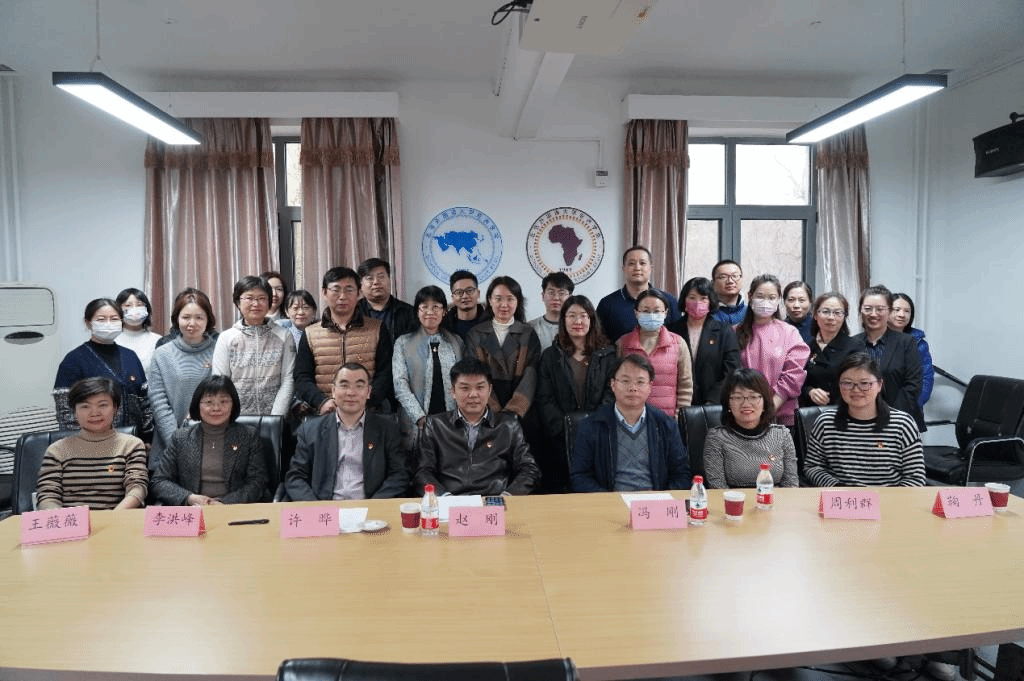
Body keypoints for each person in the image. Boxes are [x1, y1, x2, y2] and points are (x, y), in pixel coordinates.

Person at [415, 358, 540, 496]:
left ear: (489, 390)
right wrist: (444, 497)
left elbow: (529, 469)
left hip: (494, 500)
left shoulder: (508, 426)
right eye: (465, 388)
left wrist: (507, 496)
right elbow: (423, 472)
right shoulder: (435, 425)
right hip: (450, 501)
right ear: (453, 392)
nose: (473, 395)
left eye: (480, 387)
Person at [285, 363, 408, 500]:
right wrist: (317, 508)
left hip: (370, 507)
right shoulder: (310, 430)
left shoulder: (387, 429)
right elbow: (295, 477)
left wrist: (374, 506)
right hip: (326, 507)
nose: (351, 393)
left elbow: (399, 474)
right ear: (333, 391)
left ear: (368, 392)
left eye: (359, 386)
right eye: (344, 385)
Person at [570, 354, 690, 492]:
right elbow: (580, 476)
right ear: (613, 384)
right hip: (610, 501)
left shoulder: (666, 425)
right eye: (625, 381)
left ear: (650, 386)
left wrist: (660, 499)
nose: (633, 388)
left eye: (640, 382)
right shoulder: (591, 426)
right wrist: (608, 500)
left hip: (654, 502)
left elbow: (681, 475)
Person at [804, 352, 925, 487]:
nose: (856, 390)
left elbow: (915, 477)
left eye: (864, 383)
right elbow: (813, 466)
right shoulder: (825, 422)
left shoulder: (903, 424)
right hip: (843, 497)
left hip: (889, 498)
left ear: (879, 385)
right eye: (847, 383)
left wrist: (887, 497)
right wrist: (839, 488)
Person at [535, 295, 616, 492]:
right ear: (563, 320)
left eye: (583, 315)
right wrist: (566, 429)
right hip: (558, 441)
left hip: (598, 437)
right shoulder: (550, 356)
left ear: (592, 320)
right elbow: (545, 399)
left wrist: (593, 427)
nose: (577, 321)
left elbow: (611, 394)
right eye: (571, 316)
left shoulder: (608, 355)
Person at [151, 376, 269, 505]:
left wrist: (224, 502)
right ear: (197, 404)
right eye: (208, 402)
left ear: (233, 404)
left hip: (234, 508)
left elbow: (258, 481)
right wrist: (189, 498)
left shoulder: (248, 436)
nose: (216, 408)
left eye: (223, 401)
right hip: (193, 509)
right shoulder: (181, 438)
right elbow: (159, 481)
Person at [36, 377, 148, 510]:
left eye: (103, 405)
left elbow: (137, 488)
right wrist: (65, 520)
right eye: (85, 406)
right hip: (70, 521)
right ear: (74, 411)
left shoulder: (131, 445)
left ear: (115, 408)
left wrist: (113, 517)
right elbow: (47, 496)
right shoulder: (57, 450)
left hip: (116, 518)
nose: (95, 413)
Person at [294, 266, 393, 414]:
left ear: (359, 293)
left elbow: (386, 374)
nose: (342, 296)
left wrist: (365, 401)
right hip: (325, 413)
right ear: (324, 292)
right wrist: (321, 402)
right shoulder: (310, 333)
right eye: (336, 290)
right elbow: (302, 377)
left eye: (349, 290)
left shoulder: (377, 329)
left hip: (368, 412)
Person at [53, 298, 152, 437]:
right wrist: (81, 443)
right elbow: (65, 411)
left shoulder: (130, 356)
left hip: (132, 440)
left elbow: (145, 402)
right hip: (91, 442)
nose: (108, 323)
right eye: (101, 319)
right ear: (88, 323)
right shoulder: (74, 360)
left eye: (114, 319)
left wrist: (147, 436)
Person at [148, 288, 217, 459]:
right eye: (186, 317)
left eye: (199, 317)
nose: (192, 323)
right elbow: (158, 402)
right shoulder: (162, 354)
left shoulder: (219, 350)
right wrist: (177, 444)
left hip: (213, 441)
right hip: (170, 446)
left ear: (208, 320)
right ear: (176, 319)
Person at [212, 276, 295, 416]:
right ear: (238, 302)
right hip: (236, 418)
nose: (255, 304)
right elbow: (221, 381)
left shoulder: (284, 336)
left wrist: (275, 418)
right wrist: (231, 417)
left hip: (275, 418)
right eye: (249, 298)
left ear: (269, 303)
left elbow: (288, 379)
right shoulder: (226, 338)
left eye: (262, 298)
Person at [392, 285, 464, 448]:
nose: (430, 312)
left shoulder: (456, 342)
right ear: (417, 311)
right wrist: (419, 417)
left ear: (444, 311)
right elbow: (400, 384)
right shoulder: (403, 343)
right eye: (424, 307)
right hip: (415, 423)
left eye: (436, 307)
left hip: (450, 422)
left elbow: (462, 380)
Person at [703, 368, 799, 489]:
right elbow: (717, 487)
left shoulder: (782, 435)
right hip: (733, 499)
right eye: (738, 397)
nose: (746, 404)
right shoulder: (717, 438)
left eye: (753, 397)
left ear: (765, 402)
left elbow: (791, 484)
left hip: (775, 499)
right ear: (728, 403)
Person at [735, 274, 809, 426]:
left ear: (778, 300)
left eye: (771, 297)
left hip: (782, 416)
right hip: (744, 413)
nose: (765, 301)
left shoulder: (789, 332)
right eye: (760, 296)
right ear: (750, 296)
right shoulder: (735, 332)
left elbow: (794, 375)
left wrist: (770, 408)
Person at [465, 276, 541, 418]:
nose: (504, 305)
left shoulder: (528, 334)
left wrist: (513, 410)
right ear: (489, 300)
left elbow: (531, 375)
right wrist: (493, 409)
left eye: (510, 299)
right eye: (498, 299)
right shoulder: (475, 334)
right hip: (485, 411)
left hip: (522, 413)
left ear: (518, 301)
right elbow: (474, 374)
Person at [851, 285, 924, 429]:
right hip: (858, 419)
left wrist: (891, 417)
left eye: (880, 309)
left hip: (898, 421)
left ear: (889, 311)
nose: (873, 314)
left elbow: (913, 384)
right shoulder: (852, 343)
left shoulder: (906, 342)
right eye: (868, 309)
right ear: (860, 310)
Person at [616, 290, 693, 417]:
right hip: (631, 418)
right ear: (636, 313)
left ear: (665, 313)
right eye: (646, 311)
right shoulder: (622, 343)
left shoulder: (678, 343)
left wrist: (679, 417)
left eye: (657, 311)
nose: (651, 315)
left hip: (667, 419)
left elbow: (686, 385)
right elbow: (615, 383)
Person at [665, 277, 741, 405]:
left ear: (711, 301)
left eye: (703, 298)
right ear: (684, 300)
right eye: (692, 297)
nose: (697, 303)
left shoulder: (724, 332)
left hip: (713, 404)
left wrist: (712, 400)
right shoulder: (671, 330)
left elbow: (731, 370)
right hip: (676, 402)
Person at [596, 246, 681, 343]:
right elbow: (599, 340)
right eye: (631, 263)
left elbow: (677, 339)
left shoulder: (670, 301)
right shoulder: (607, 304)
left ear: (650, 268)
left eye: (642, 263)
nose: (637, 268)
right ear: (623, 269)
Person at [799, 292, 865, 407]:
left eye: (837, 313)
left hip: (844, 409)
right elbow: (798, 381)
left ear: (844, 317)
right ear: (815, 315)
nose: (831, 317)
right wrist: (809, 391)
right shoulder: (805, 347)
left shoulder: (855, 347)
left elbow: (860, 383)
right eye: (825, 312)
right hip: (811, 411)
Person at [355, 257, 417, 342]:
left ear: (389, 279)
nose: (376, 282)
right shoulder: (353, 312)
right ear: (360, 284)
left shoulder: (409, 312)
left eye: (381, 277)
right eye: (370, 278)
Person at [890, 292, 934, 408]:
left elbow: (926, 378)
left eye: (907, 311)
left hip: (910, 407)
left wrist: (913, 403)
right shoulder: (874, 340)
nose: (902, 314)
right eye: (897, 310)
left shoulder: (919, 343)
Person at [114, 287, 162, 373]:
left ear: (147, 309)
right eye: (128, 305)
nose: (134, 309)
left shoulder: (157, 340)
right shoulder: (111, 339)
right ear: (118, 310)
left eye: (139, 305)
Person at [528, 272, 574, 350]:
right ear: (543, 296)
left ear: (570, 298)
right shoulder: (531, 327)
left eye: (561, 293)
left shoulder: (578, 327)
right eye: (551, 293)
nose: (556, 298)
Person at [442, 269, 486, 342]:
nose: (465, 296)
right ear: (453, 297)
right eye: (459, 292)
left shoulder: (491, 323)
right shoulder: (444, 327)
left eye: (469, 291)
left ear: (478, 293)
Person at [710, 260, 746, 324]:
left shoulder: (752, 313)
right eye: (723, 277)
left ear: (742, 280)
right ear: (713, 283)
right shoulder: (706, 314)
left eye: (735, 276)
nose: (730, 281)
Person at [782, 280, 814, 345]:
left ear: (810, 301)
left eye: (801, 300)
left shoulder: (820, 328)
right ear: (784, 302)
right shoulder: (779, 329)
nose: (796, 305)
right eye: (791, 300)